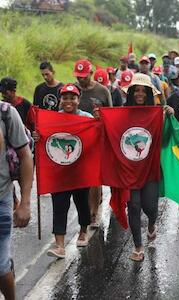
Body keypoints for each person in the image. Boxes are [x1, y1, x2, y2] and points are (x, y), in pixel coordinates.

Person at [33, 84, 93, 259]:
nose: (68, 101)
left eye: (72, 97)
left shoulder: (87, 118)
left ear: (78, 99)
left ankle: (83, 231)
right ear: (60, 99)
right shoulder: (52, 118)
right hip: (59, 172)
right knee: (60, 206)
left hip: (81, 172)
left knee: (82, 204)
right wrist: (37, 136)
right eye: (65, 97)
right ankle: (59, 245)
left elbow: (97, 136)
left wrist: (99, 122)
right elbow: (43, 139)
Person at [121, 73, 161, 262]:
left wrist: (167, 113)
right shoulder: (121, 113)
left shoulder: (156, 112)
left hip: (150, 168)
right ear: (130, 92)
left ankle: (152, 224)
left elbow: (167, 135)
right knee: (134, 206)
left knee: (151, 206)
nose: (139, 94)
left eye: (143, 91)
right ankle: (137, 245)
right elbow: (109, 132)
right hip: (129, 169)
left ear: (148, 93)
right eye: (136, 90)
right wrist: (100, 118)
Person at [0, 98, 33, 299]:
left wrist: (25, 203)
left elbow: (25, 155)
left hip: (1, 198)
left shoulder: (6, 113)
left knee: (1, 266)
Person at [73, 59, 112, 228]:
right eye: (78, 77)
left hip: (96, 139)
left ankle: (94, 213)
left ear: (90, 74)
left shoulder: (103, 91)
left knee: (95, 178)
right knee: (81, 179)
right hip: (76, 139)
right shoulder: (73, 90)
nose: (81, 80)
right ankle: (85, 211)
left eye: (83, 76)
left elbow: (110, 115)